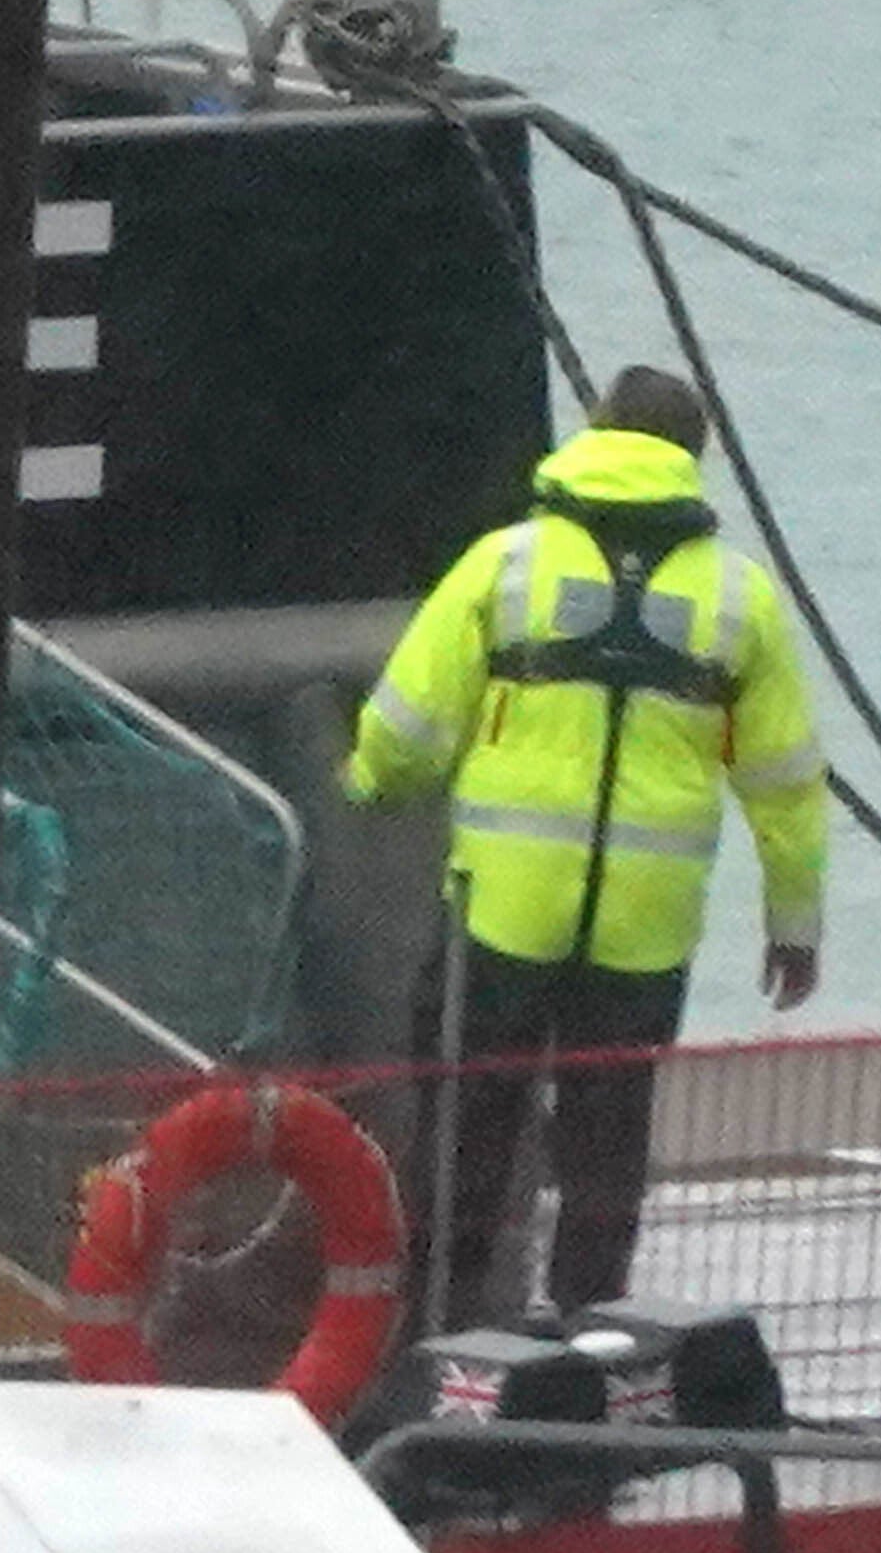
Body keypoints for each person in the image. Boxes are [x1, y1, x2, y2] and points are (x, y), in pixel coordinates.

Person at [345, 362, 832, 1324]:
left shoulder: (507, 564)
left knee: (464, 1130)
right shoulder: (742, 601)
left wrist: (371, 784)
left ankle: (442, 1340)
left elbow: (404, 726)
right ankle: (589, 1345)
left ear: (596, 432)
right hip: (643, 933)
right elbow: (786, 787)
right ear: (694, 461)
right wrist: (793, 926)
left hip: (504, 913)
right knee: (608, 1148)